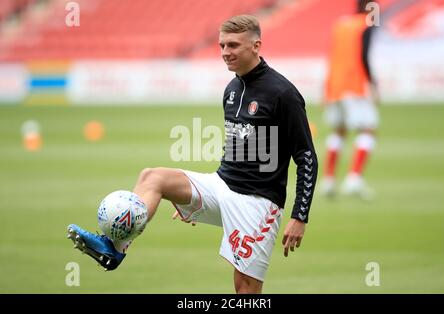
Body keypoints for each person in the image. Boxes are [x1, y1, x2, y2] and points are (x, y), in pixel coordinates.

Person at [67, 15, 318, 294]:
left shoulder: (283, 93)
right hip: (222, 185)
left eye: (233, 45)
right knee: (153, 178)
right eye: (222, 45)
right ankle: (114, 249)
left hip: (257, 203)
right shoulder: (232, 90)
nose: (225, 52)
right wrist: (196, 197)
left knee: (245, 290)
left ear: (256, 45)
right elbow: (238, 149)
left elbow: (306, 156)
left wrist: (300, 216)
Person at [320, 0, 379, 199]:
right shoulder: (366, 25)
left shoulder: (341, 24)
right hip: (355, 84)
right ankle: (354, 178)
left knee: (339, 131)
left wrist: (326, 87)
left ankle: (328, 180)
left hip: (335, 84)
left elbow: (333, 55)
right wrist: (372, 83)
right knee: (368, 129)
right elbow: (364, 56)